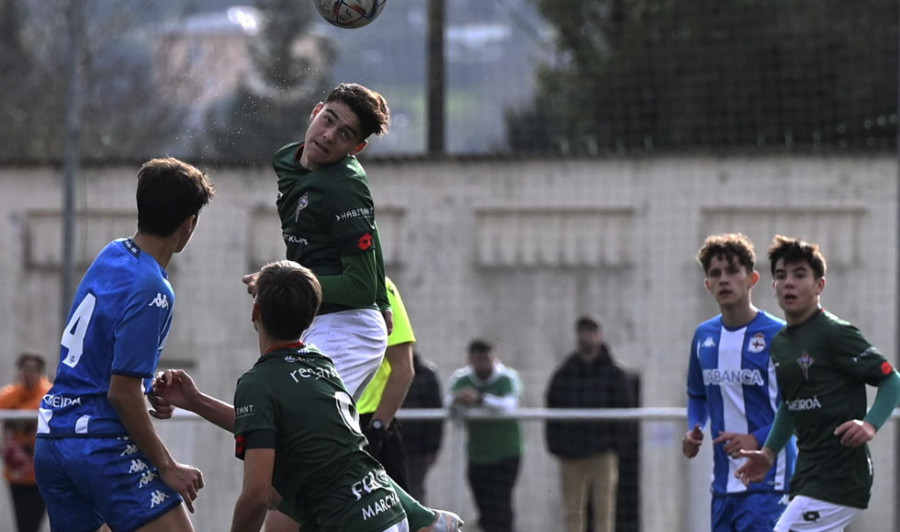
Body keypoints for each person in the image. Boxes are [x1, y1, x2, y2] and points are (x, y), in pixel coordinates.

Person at [242, 83, 460, 532]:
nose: (328, 135)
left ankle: (421, 520)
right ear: (316, 110)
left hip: (349, 327)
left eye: (344, 135)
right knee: (301, 457)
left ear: (356, 147)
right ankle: (422, 520)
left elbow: (359, 284)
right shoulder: (289, 160)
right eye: (328, 120)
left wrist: (283, 280)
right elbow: (370, 254)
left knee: (300, 439)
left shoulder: (345, 187)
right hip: (325, 319)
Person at [153, 260, 409, 532]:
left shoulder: (260, 383)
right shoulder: (320, 364)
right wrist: (196, 401)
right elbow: (261, 425)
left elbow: (257, 496)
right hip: (387, 514)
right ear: (311, 316)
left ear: (255, 313)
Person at [33, 157, 213, 532]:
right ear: (189, 223)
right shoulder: (153, 290)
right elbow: (120, 392)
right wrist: (167, 465)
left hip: (53, 441)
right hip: (101, 445)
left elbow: (108, 361)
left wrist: (145, 382)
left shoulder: (113, 253)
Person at [736, 235, 900, 532]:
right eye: (781, 276)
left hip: (840, 478)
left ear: (819, 285)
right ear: (773, 286)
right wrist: (769, 453)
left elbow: (891, 379)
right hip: (808, 477)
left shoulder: (835, 333)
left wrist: (870, 424)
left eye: (800, 275)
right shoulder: (781, 345)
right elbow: (791, 404)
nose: (789, 283)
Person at [682, 233, 796, 531]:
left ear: (752, 279)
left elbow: (799, 407)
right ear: (707, 285)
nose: (724, 279)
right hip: (723, 487)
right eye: (715, 274)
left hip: (770, 483)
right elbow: (697, 394)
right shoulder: (704, 337)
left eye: (733, 271)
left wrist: (756, 438)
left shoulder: (780, 336)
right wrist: (695, 426)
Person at [545, 315, 635, 532]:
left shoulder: (614, 374)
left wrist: (616, 446)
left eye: (591, 332)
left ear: (599, 335)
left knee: (604, 510)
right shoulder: (565, 373)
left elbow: (626, 411)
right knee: (573, 512)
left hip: (602, 452)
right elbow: (552, 408)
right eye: (582, 333)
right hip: (571, 454)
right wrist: (557, 446)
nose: (586, 338)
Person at [447, 339, 523, 532]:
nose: (483, 364)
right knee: (484, 507)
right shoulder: (461, 379)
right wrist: (458, 400)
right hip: (477, 454)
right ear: (471, 360)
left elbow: (509, 405)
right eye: (478, 360)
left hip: (506, 452)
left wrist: (480, 399)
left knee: (502, 504)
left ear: (494, 358)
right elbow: (447, 402)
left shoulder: (507, 378)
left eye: (486, 359)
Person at [357, 277, 416, 489]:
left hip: (368, 423)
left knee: (394, 517)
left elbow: (403, 370)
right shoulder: (305, 280)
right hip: (321, 422)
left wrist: (377, 429)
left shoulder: (380, 286)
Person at [0, 352, 52, 532]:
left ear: (40, 372)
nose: (28, 374)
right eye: (24, 369)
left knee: (32, 523)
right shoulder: (12, 393)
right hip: (16, 472)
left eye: (32, 370)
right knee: (21, 523)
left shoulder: (48, 395)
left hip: (39, 472)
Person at [400, 352, 444, 503]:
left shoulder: (426, 374)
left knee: (414, 492)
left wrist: (433, 448)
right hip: (391, 443)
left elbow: (436, 413)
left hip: (417, 448)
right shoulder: (383, 370)